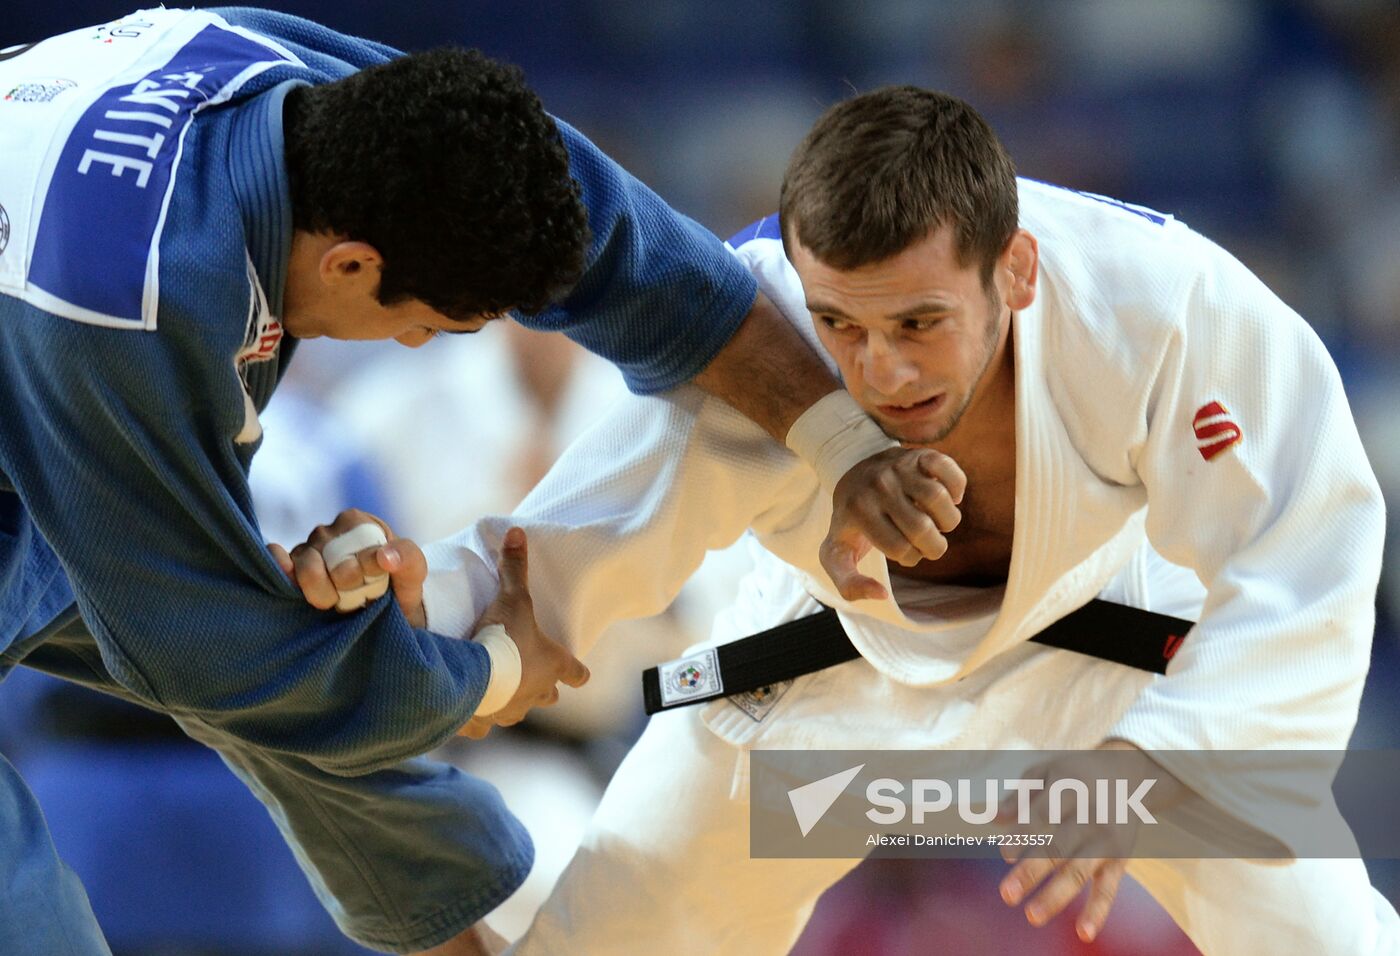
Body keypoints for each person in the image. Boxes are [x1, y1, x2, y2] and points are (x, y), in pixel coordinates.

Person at [300, 86, 1395, 953]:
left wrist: (1159, 763)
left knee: (1316, 934)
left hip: (1109, 658)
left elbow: (1299, 548)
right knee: (616, 938)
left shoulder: (1166, 309)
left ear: (1011, 269)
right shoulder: (754, 315)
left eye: (919, 320)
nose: (880, 368)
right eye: (841, 324)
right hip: (819, 671)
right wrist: (427, 587)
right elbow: (578, 535)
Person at [0, 9, 945, 955]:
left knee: (309, 655)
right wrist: (493, 671)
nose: (421, 345)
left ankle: (458, 939)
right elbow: (217, 660)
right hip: (60, 403)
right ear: (353, 263)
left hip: (37, 438)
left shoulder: (290, 84)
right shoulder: (127, 303)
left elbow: (625, 244)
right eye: (433, 325)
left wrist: (845, 447)